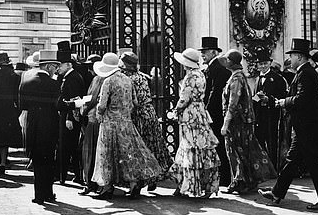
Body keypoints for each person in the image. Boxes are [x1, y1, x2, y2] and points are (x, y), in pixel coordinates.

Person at [259, 39, 318, 209]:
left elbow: (303, 99)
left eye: (291, 56)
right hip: (304, 127)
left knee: (313, 164)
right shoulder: (304, 72)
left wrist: (284, 102)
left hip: (307, 127)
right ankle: (277, 193)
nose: (290, 59)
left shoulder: (306, 73)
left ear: (299, 56)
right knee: (293, 161)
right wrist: (279, 100)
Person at [90, 52, 162, 199]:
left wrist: (99, 113)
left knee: (107, 155)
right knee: (128, 153)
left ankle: (107, 188)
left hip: (110, 123)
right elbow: (135, 102)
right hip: (126, 122)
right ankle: (134, 184)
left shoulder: (108, 81)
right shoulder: (127, 80)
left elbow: (102, 105)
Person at [220, 49, 276, 194]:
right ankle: (246, 181)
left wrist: (225, 124)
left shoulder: (236, 78)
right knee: (244, 151)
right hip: (243, 121)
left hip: (237, 122)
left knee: (234, 151)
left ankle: (239, 182)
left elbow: (233, 104)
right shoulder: (239, 76)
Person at [170, 48, 221, 198]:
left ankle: (189, 184)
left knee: (190, 148)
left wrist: (176, 111)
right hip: (200, 112)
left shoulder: (190, 77)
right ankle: (205, 185)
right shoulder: (201, 74)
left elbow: (184, 98)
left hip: (190, 114)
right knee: (202, 146)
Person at [122, 51, 172, 191]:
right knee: (154, 146)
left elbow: (134, 102)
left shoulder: (127, 78)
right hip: (150, 114)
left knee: (139, 149)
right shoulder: (142, 77)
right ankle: (154, 177)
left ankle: (139, 182)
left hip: (138, 116)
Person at [19, 50, 61, 204]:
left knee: (37, 160)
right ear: (49, 67)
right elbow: (58, 105)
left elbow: (22, 103)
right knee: (48, 159)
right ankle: (48, 193)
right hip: (49, 124)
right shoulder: (54, 83)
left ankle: (39, 195)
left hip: (32, 122)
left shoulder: (25, 78)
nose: (56, 70)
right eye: (55, 67)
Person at [199, 36, 231, 186]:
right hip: (213, 112)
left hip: (216, 113)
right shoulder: (212, 67)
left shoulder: (218, 68)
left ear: (213, 52)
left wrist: (206, 111)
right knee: (216, 144)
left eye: (204, 52)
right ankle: (221, 175)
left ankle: (224, 176)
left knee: (219, 144)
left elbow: (215, 92)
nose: (202, 55)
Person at [56, 41, 86, 184]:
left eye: (60, 65)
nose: (58, 68)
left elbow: (74, 100)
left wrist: (69, 117)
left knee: (67, 147)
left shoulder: (73, 78)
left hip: (70, 117)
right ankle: (76, 176)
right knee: (70, 147)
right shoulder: (69, 76)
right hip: (67, 116)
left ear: (68, 64)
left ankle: (63, 177)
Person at [253, 57, 287, 169]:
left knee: (272, 141)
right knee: (260, 140)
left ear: (270, 63)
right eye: (260, 64)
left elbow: (283, 97)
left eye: (265, 63)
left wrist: (269, 99)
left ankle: (274, 167)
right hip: (260, 115)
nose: (263, 66)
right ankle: (264, 167)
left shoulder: (278, 79)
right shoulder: (257, 78)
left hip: (273, 115)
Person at [79, 70, 104, 195]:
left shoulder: (98, 80)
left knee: (90, 153)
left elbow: (91, 99)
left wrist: (83, 110)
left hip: (94, 120)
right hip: (107, 122)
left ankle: (90, 183)